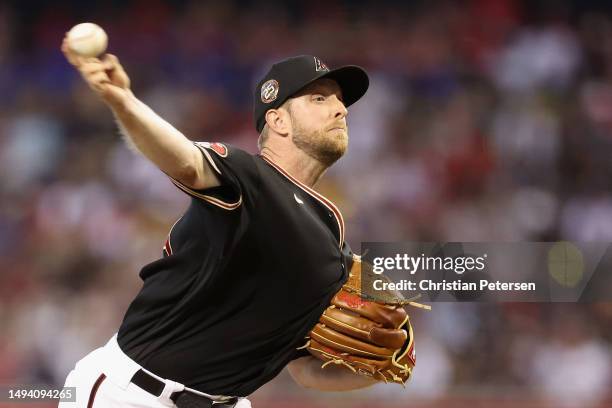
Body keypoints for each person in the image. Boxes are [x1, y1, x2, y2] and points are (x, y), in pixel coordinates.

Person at [60, 34, 373, 408]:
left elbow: (304, 369)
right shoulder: (248, 177)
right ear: (278, 120)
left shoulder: (335, 244)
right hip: (132, 394)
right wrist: (124, 102)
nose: (340, 109)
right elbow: (186, 161)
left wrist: (375, 368)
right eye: (319, 98)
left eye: (340, 101)